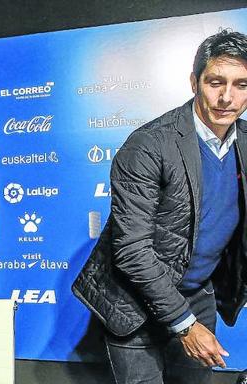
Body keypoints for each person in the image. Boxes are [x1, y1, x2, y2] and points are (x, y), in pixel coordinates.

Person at [72, 30, 247, 384]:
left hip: (197, 293)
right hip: (132, 302)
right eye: (216, 82)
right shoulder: (149, 145)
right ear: (194, 82)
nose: (228, 97)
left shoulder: (244, 140)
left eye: (241, 84)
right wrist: (184, 324)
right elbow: (132, 250)